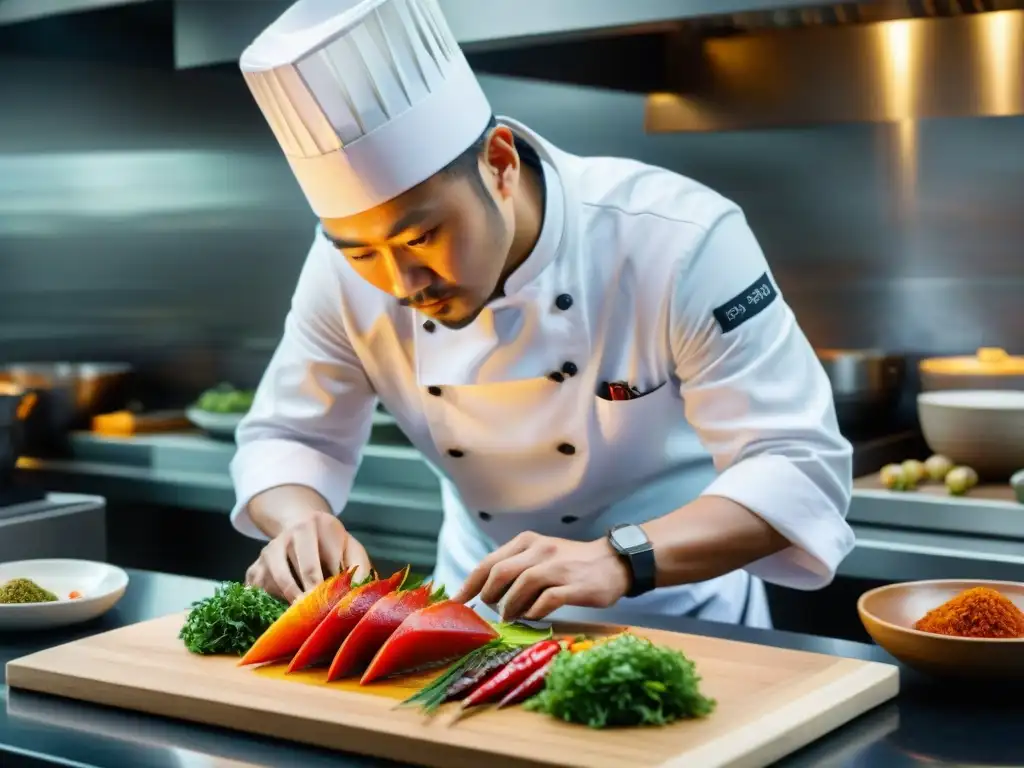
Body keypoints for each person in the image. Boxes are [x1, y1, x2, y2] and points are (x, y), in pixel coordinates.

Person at [230, 0, 855, 628]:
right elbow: (290, 436)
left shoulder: (678, 239)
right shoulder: (342, 270)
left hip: (683, 611)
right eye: (362, 252)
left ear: (499, 164)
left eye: (421, 238)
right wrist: (298, 522)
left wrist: (617, 558)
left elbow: (796, 463)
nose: (401, 283)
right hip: (474, 618)